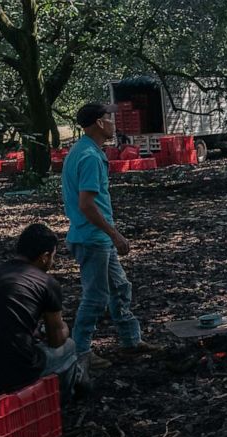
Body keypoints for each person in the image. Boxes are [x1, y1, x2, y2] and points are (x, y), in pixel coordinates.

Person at [62, 102, 154, 371]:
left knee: (120, 287)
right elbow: (87, 204)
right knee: (96, 297)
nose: (114, 123)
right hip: (93, 238)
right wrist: (115, 235)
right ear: (99, 123)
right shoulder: (90, 157)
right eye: (109, 118)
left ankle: (130, 339)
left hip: (94, 236)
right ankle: (81, 352)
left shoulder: (82, 150)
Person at [0, 223, 83, 399]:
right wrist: (64, 328)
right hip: (17, 370)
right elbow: (56, 339)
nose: (52, 262)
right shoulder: (46, 283)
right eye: (53, 257)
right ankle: (62, 399)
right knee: (70, 346)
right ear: (45, 256)